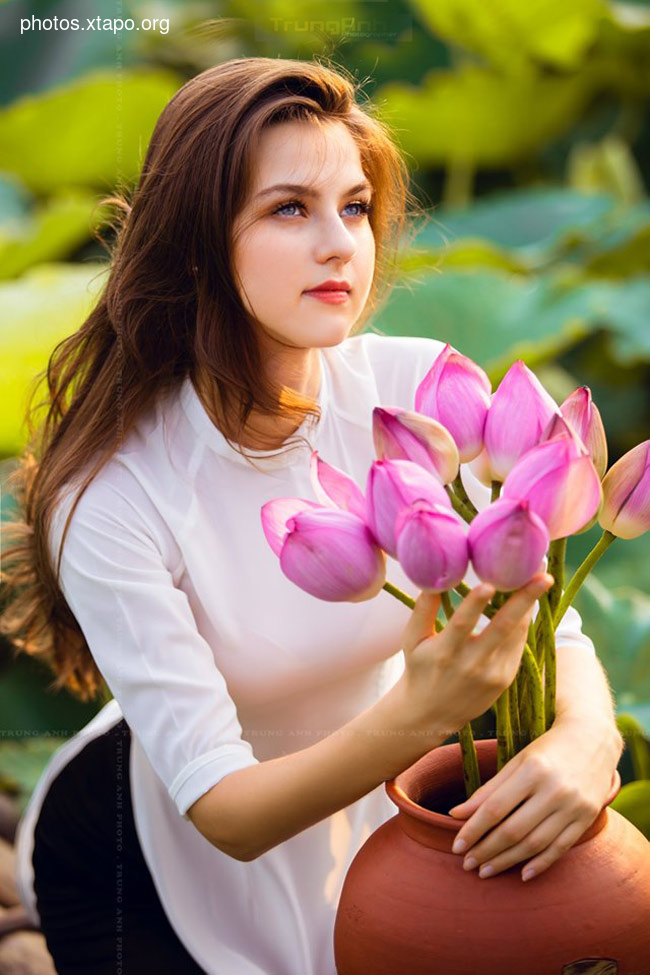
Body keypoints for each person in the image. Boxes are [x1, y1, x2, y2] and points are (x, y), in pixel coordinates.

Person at [1, 57, 623, 975]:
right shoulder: (113, 494)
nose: (341, 244)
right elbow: (226, 811)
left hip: (394, 819)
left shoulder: (419, 389)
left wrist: (588, 739)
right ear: (201, 240)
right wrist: (423, 715)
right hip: (157, 861)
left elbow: (549, 620)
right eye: (290, 208)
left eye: (356, 206)